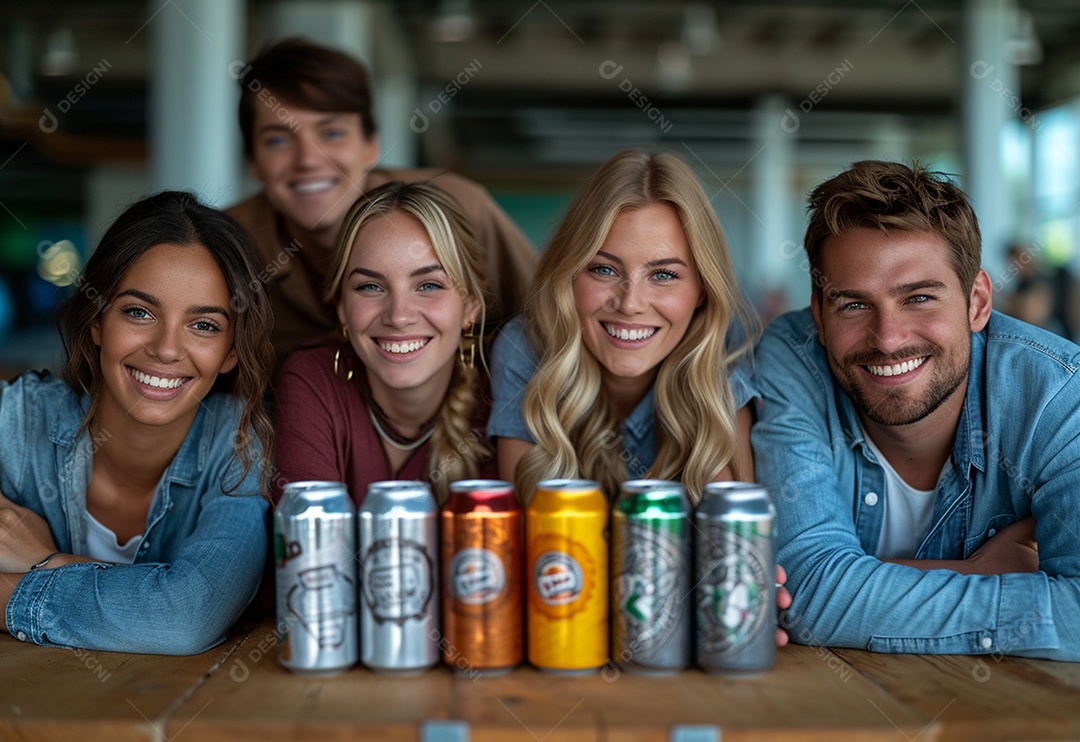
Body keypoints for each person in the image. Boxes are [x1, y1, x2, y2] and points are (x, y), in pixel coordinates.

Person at [754, 160, 1080, 660]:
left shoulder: (1057, 395)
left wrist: (849, 589)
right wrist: (974, 572)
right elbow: (802, 589)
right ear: (819, 315)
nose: (888, 339)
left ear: (976, 303)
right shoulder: (794, 358)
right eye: (854, 305)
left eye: (920, 298)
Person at [0, 191, 275, 655]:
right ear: (96, 321)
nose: (166, 349)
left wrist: (47, 565)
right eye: (139, 312)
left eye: (204, 324)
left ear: (231, 350)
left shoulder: (241, 448)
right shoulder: (17, 422)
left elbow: (187, 617)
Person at [227, 37, 537, 365]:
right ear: (253, 162)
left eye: (331, 133)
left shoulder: (460, 208)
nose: (308, 159)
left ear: (370, 145)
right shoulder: (226, 248)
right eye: (277, 139)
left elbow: (554, 321)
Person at [489, 148, 760, 502]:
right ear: (568, 277)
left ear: (703, 291)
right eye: (604, 269)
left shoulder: (723, 346)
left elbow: (729, 535)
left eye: (663, 275)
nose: (630, 303)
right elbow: (534, 533)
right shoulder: (525, 347)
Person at [273, 180, 496, 504]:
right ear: (342, 308)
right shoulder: (312, 380)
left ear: (471, 305)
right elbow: (310, 548)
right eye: (370, 287)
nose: (399, 316)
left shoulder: (502, 388)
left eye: (429, 286)